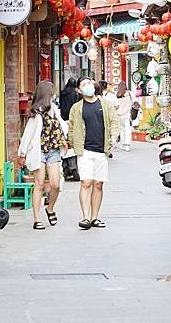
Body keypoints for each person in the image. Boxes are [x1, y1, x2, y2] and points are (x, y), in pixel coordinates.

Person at [68, 77, 119, 230]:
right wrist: (73, 143)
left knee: (98, 184)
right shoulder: (76, 108)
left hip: (101, 151)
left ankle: (94, 217)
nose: (88, 86)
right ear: (79, 90)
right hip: (84, 151)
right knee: (86, 182)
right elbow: (71, 128)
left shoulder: (106, 104)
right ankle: (85, 217)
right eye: (83, 84)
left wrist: (113, 137)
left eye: (89, 83)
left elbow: (114, 122)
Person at [18, 81, 68, 230]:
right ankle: (36, 219)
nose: (54, 94)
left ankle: (50, 208)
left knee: (56, 185)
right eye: (52, 92)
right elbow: (27, 134)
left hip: (53, 150)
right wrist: (22, 153)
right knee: (39, 184)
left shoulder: (54, 110)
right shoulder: (35, 112)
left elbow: (63, 127)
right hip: (38, 151)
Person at [115, 81, 135, 151]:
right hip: (127, 114)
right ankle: (127, 145)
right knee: (127, 129)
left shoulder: (117, 94)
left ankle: (123, 144)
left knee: (121, 129)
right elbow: (135, 101)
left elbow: (115, 105)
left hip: (119, 115)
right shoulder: (129, 93)